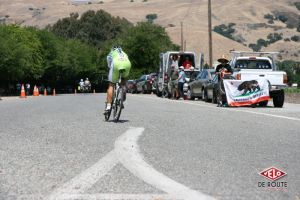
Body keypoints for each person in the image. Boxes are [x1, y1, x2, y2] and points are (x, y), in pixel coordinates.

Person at [105, 46, 131, 112]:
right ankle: (123, 95)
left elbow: (109, 65)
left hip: (116, 64)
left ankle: (108, 106)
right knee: (123, 81)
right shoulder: (124, 53)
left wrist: (111, 71)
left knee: (111, 85)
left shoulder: (111, 53)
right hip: (127, 64)